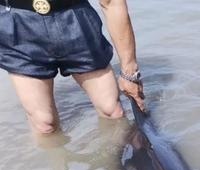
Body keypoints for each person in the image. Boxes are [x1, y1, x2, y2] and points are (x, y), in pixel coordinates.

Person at [0, 0, 144, 135]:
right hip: (18, 23)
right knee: (44, 125)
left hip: (75, 17)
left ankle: (120, 158)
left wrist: (129, 71)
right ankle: (56, 161)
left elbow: (112, 2)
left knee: (113, 111)